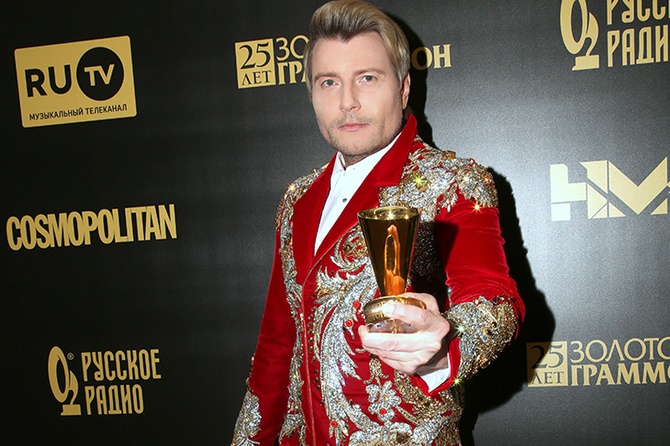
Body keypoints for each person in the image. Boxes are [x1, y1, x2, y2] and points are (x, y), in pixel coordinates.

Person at [232, 1, 524, 444]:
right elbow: (276, 347)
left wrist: (440, 347)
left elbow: (494, 302)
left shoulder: (452, 182)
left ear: (403, 89)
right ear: (311, 94)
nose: (347, 101)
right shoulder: (297, 200)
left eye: (367, 78)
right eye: (329, 82)